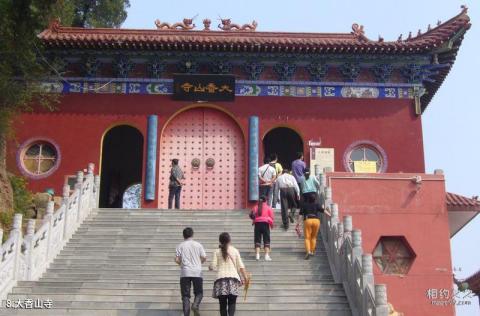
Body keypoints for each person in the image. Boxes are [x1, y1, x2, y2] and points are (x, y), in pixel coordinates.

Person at [209, 232, 249, 316]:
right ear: (230, 240)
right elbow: (241, 266)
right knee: (232, 303)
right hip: (233, 280)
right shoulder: (235, 250)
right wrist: (245, 277)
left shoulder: (216, 251)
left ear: (220, 241)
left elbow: (212, 266)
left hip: (221, 280)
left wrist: (210, 267)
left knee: (222, 305)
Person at [175, 227, 207, 316]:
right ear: (192, 234)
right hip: (197, 272)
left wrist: (181, 264)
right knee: (199, 293)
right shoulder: (198, 245)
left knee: (185, 296)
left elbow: (177, 259)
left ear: (183, 235)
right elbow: (204, 257)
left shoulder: (180, 245)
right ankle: (195, 305)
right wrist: (199, 263)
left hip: (185, 272)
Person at [297, 193, 324, 260]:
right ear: (315, 199)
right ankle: (312, 251)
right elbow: (323, 210)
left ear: (308, 199)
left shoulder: (304, 205)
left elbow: (300, 215)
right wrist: (330, 215)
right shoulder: (317, 204)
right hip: (316, 221)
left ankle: (308, 251)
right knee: (314, 237)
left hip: (308, 220)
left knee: (307, 238)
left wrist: (298, 223)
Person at [249, 195, 274, 261]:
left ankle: (257, 255)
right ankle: (266, 256)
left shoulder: (255, 207)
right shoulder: (268, 208)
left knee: (257, 240)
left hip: (257, 224)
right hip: (265, 224)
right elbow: (272, 217)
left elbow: (251, 215)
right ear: (266, 200)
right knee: (266, 240)